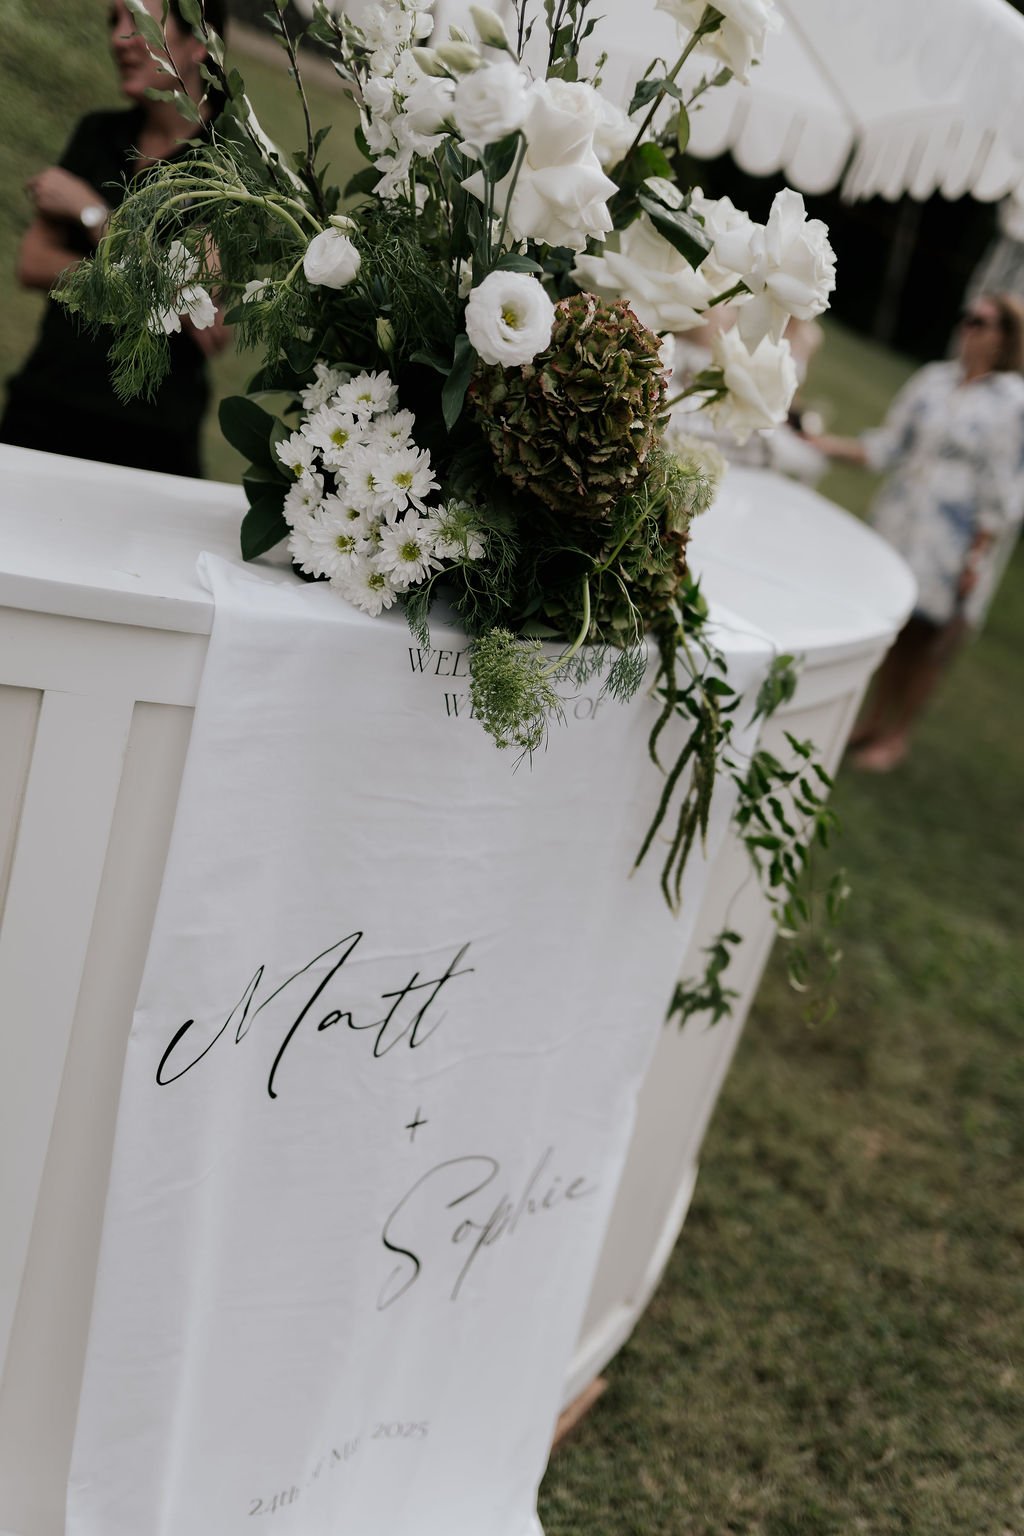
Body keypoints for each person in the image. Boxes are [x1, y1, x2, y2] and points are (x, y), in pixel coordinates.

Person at [0, 0, 229, 478]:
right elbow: (34, 262)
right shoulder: (98, 134)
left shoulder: (228, 168)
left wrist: (91, 214)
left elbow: (209, 321)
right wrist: (153, 290)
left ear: (199, 43)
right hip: (43, 408)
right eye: (114, 21)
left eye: (139, 21)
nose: (118, 38)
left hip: (150, 438)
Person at [811, 292, 1024, 770]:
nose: (968, 327)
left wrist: (977, 557)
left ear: (1005, 337)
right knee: (891, 628)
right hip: (901, 524)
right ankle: (870, 719)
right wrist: (823, 444)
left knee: (927, 644)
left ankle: (896, 734)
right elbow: (889, 447)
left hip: (955, 544)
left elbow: (1004, 490)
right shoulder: (933, 379)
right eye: (966, 317)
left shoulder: (1014, 404)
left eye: (981, 322)